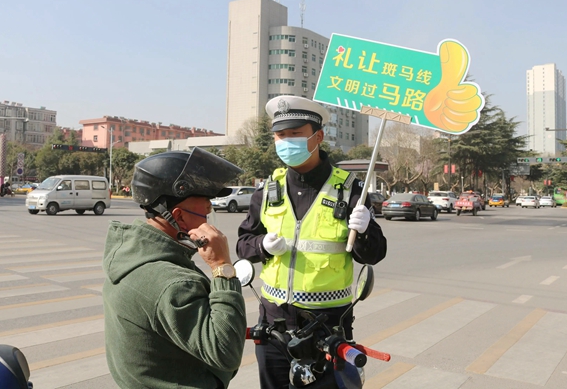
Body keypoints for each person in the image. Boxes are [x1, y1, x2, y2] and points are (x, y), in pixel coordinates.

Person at [236, 96, 387, 389]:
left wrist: (366, 230)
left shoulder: (351, 190)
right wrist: (262, 246)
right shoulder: (267, 191)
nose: (285, 142)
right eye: (280, 136)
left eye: (295, 134)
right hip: (273, 327)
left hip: (327, 328)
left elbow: (374, 255)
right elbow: (243, 244)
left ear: (317, 137)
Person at [103, 148, 247, 389]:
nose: (209, 213)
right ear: (178, 216)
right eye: (205, 206)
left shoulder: (130, 256)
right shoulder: (174, 283)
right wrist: (222, 267)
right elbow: (226, 353)